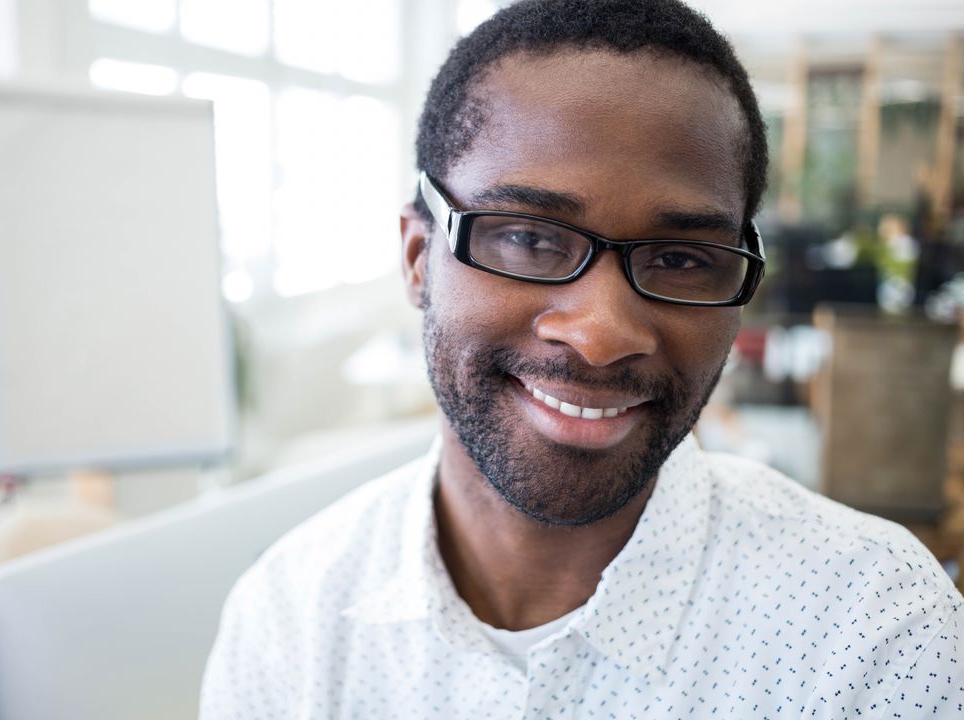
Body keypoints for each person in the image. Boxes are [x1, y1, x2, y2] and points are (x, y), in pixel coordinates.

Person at [200, 0, 964, 716]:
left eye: (680, 258)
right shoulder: (289, 618)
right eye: (530, 238)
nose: (601, 334)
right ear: (417, 258)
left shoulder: (879, 637)